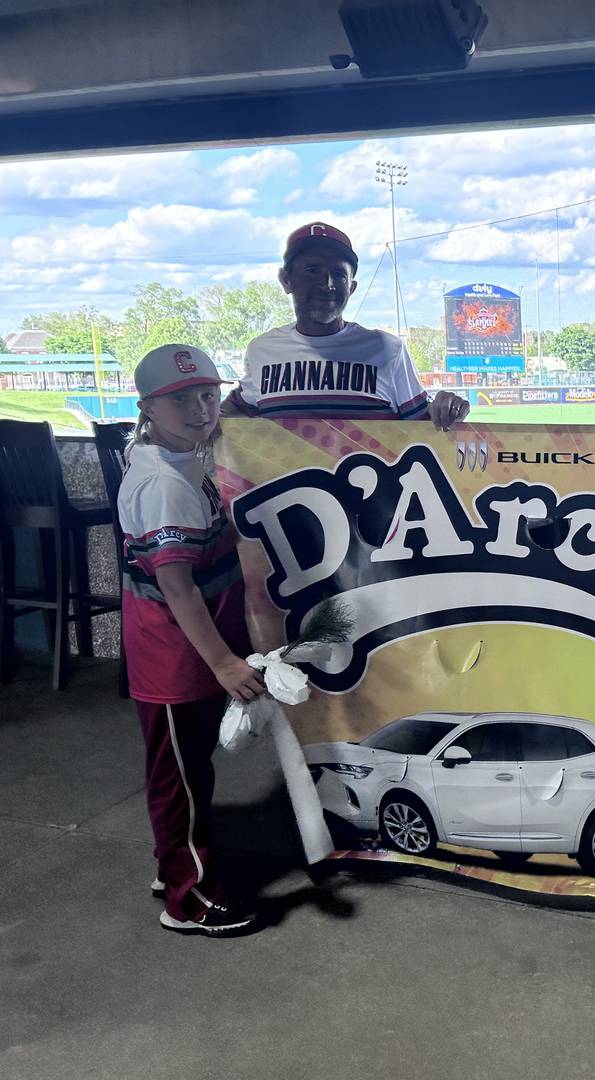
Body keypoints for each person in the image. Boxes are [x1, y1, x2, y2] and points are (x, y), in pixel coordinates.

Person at [119, 344, 268, 938]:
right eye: (180, 399)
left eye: (207, 395)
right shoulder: (164, 484)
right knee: (178, 778)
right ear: (148, 408)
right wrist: (226, 663)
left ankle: (173, 863)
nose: (200, 408)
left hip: (187, 652)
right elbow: (178, 590)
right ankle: (189, 900)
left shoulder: (186, 458)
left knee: (187, 771)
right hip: (174, 657)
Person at [223, 222, 470, 428]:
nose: (327, 283)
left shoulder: (386, 349)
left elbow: (424, 425)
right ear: (287, 280)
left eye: (339, 274)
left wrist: (446, 408)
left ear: (351, 288)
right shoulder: (262, 350)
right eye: (312, 270)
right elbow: (230, 412)